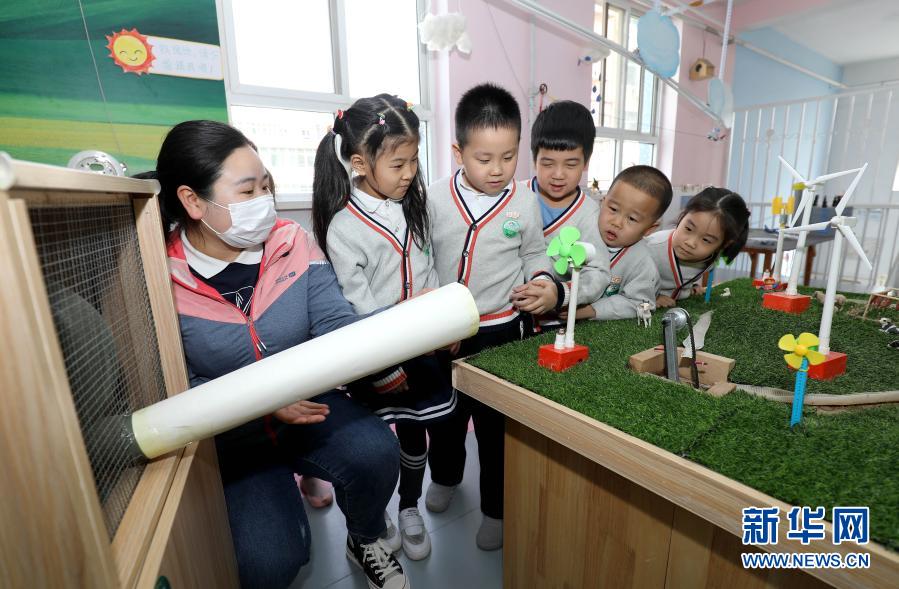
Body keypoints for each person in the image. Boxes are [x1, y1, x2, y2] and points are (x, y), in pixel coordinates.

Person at [150, 120, 410, 589]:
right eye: (247, 190)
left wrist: (405, 322)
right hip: (231, 434)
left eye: (266, 185)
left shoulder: (293, 242)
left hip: (309, 406)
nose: (264, 201)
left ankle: (365, 536)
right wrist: (265, 400)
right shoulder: (161, 277)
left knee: (376, 451)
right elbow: (177, 385)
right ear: (192, 201)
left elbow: (335, 324)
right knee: (270, 562)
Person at [313, 93, 455, 561]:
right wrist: (384, 366)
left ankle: (409, 506)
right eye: (398, 164)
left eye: (414, 160)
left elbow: (430, 272)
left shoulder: (414, 204)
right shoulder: (343, 227)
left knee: (416, 435)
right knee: (374, 446)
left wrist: (445, 323)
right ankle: (376, 516)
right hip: (379, 359)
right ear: (359, 163)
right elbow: (358, 306)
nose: (410, 173)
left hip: (424, 351)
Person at [424, 83, 564, 551]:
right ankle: (444, 477)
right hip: (444, 334)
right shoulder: (433, 198)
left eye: (508, 157)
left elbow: (534, 253)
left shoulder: (523, 201)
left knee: (493, 428)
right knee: (445, 418)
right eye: (484, 158)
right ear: (458, 152)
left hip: (500, 331)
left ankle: (496, 509)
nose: (498, 169)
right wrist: (430, 315)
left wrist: (544, 281)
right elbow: (421, 258)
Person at [527, 100, 609, 306]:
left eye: (571, 164)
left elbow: (598, 272)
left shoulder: (589, 214)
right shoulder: (514, 196)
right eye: (547, 163)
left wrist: (561, 294)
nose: (558, 174)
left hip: (557, 315)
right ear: (534, 159)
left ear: (586, 162)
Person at [570, 165, 672, 321]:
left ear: (649, 229)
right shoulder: (581, 229)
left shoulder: (643, 264)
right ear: (602, 202)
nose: (616, 223)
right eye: (613, 209)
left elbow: (642, 304)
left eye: (632, 218)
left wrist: (591, 310)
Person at [648, 187, 750, 308]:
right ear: (683, 216)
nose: (691, 243)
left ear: (724, 244)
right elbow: (628, 280)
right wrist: (652, 296)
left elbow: (683, 277)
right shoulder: (650, 248)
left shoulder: (712, 257)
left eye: (706, 240)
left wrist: (690, 287)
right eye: (688, 229)